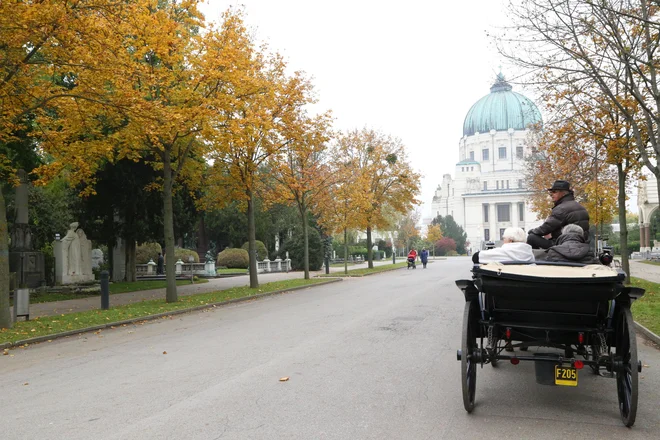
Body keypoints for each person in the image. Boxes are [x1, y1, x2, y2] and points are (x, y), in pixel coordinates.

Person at [527, 180, 590, 249]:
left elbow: (546, 228)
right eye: (551, 192)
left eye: (554, 192)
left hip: (564, 245)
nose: (551, 194)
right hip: (582, 245)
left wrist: (532, 231)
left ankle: (537, 259)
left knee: (532, 237)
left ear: (563, 193)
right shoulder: (580, 206)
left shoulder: (562, 208)